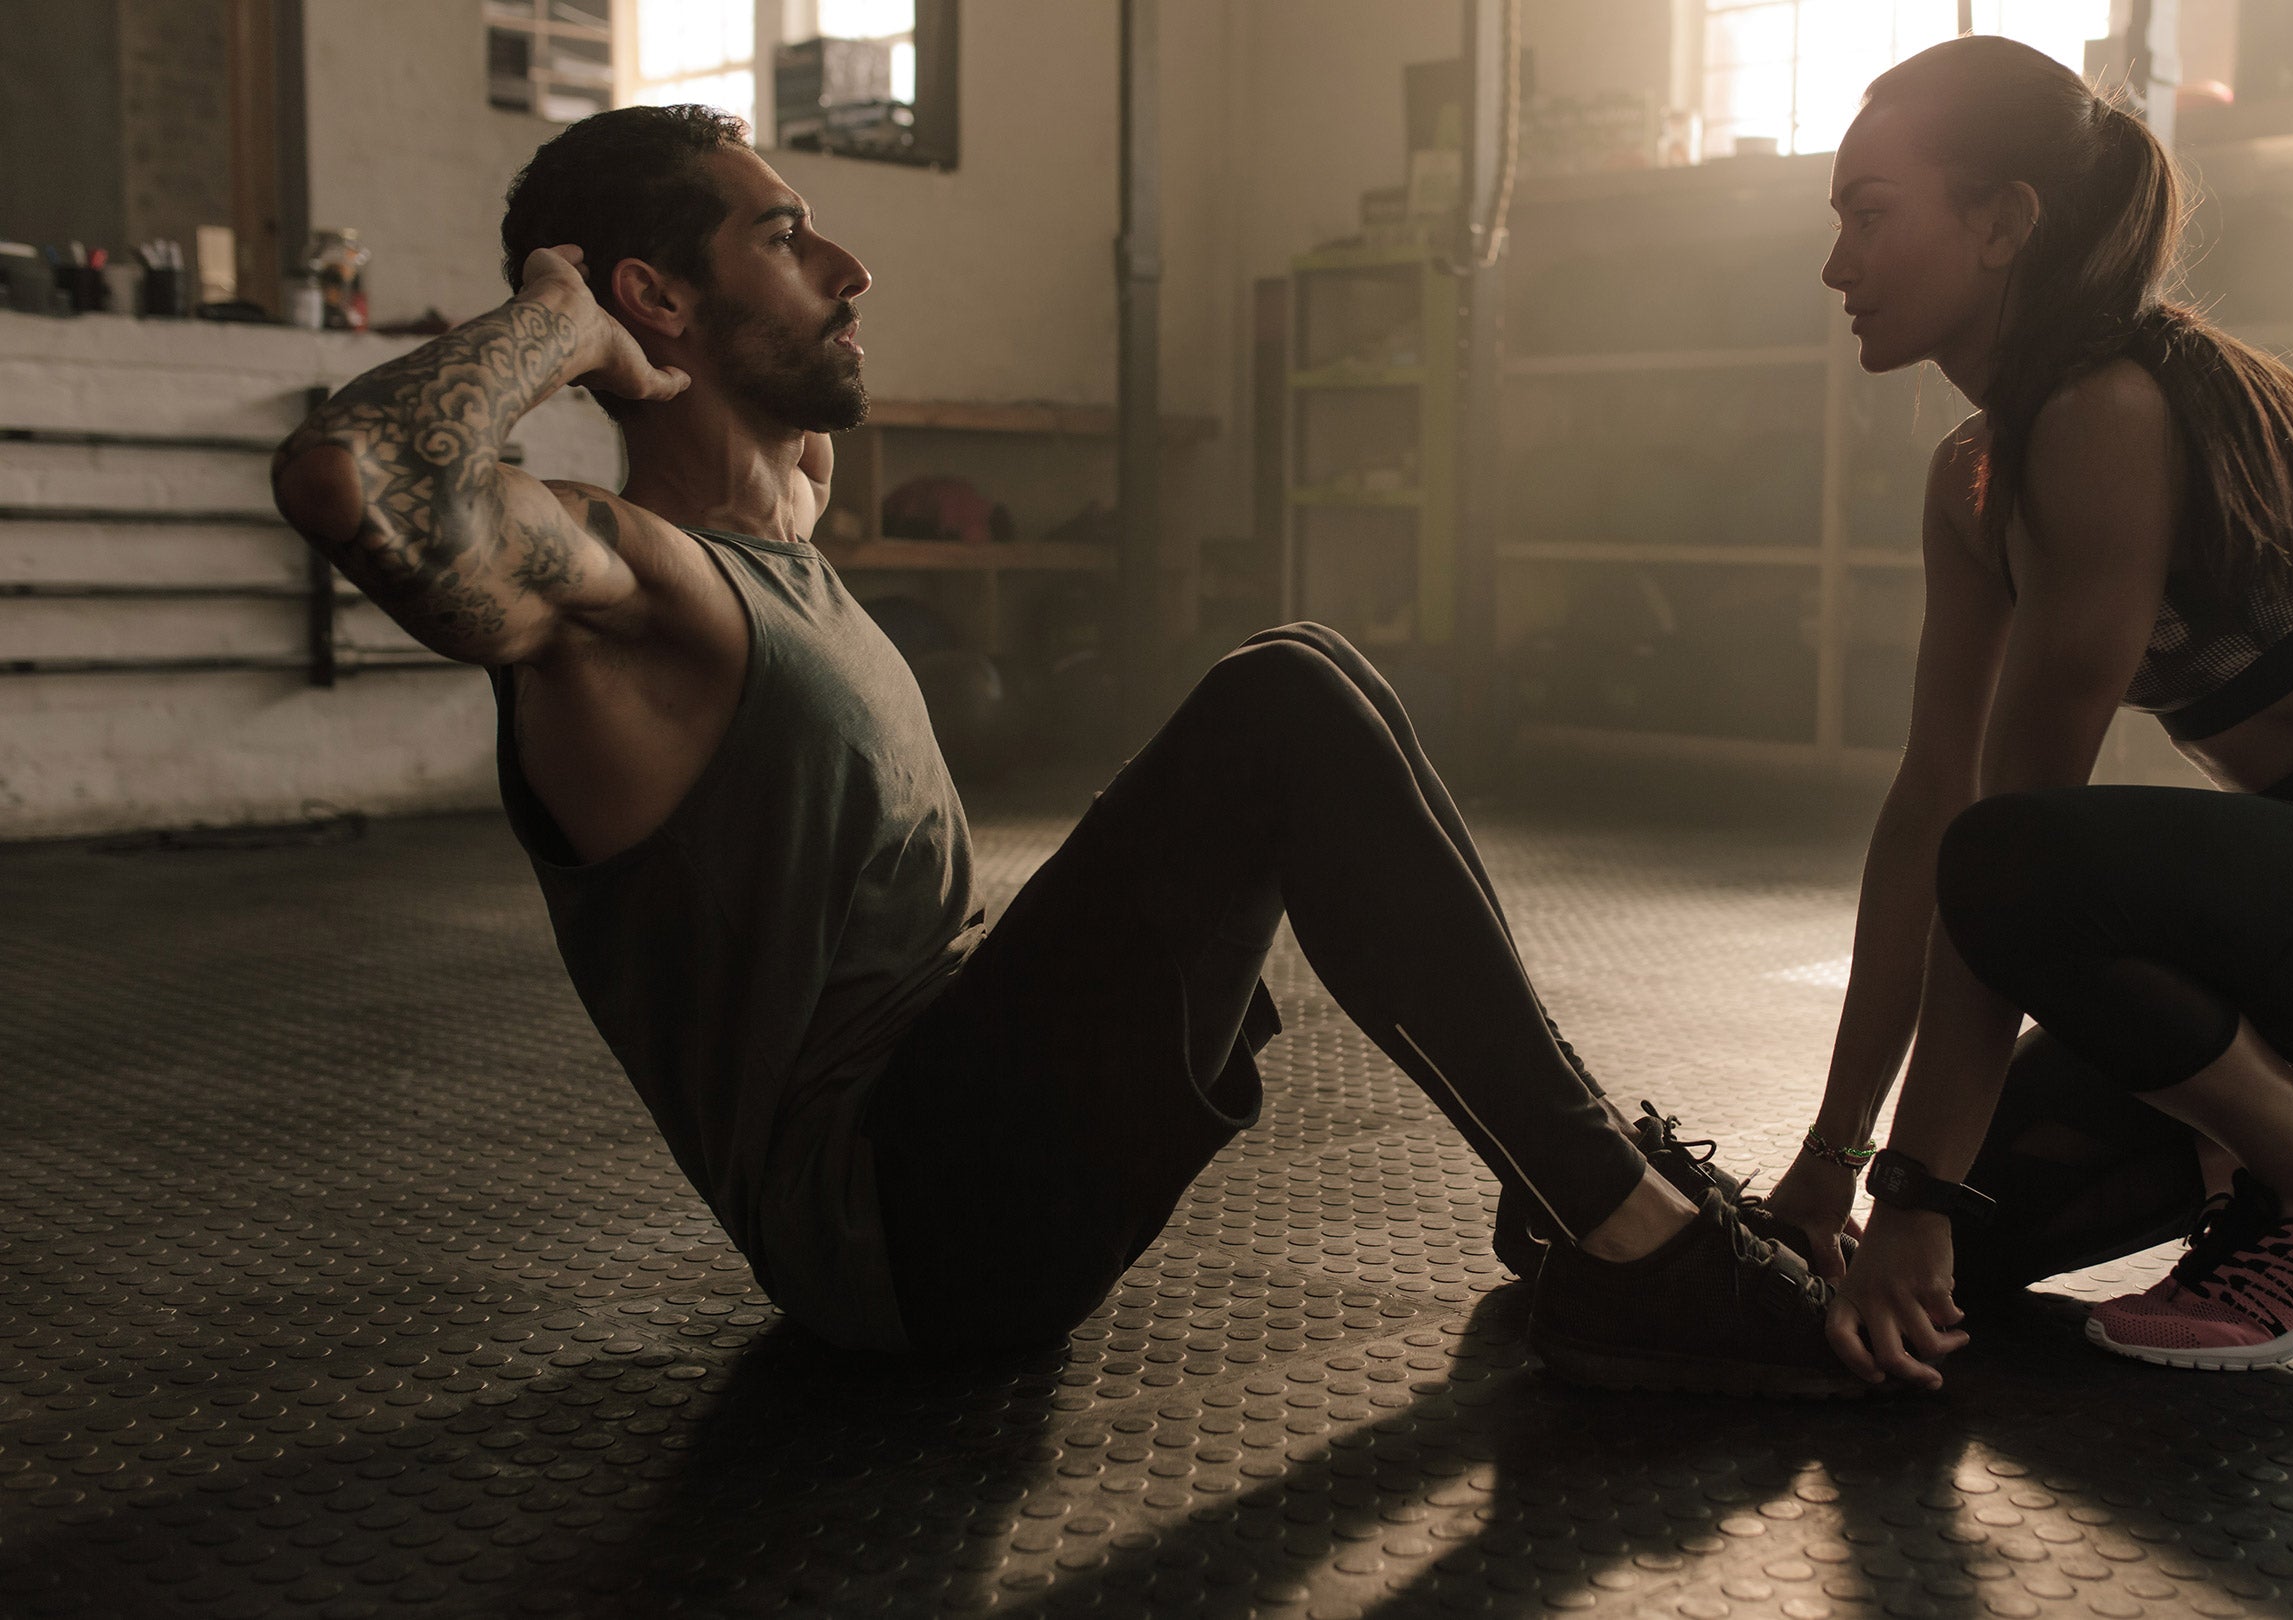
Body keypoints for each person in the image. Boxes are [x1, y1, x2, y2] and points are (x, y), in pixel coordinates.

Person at [268, 105, 1884, 1399]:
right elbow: (361, 485)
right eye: (783, 233)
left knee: (1306, 666)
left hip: (966, 1161)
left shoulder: (772, 540)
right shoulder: (628, 595)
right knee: (1280, 705)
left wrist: (741, 386)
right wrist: (558, 311)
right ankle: (1627, 1242)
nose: (850, 263)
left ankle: (1571, 1190)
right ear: (656, 297)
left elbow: (783, 461)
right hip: (903, 1229)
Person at [1760, 37, 2293, 1378]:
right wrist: (1844, 1170)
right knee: (1982, 1231)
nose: (1836, 264)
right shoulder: (1973, 477)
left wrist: (1910, 1191)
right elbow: (1925, 811)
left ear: (1999, 224)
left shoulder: (2108, 413)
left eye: (1870, 216)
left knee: (2012, 875)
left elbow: (2008, 853)